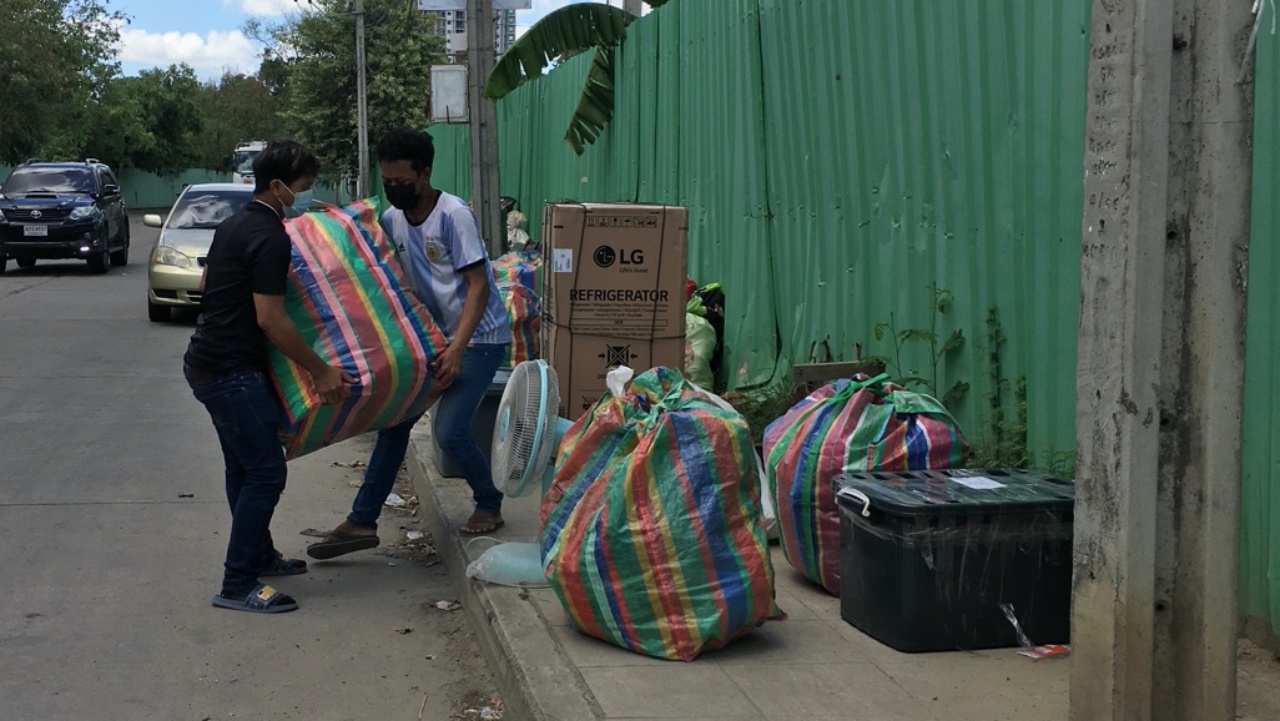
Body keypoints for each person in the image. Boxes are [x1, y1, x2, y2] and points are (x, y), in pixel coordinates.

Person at [306, 127, 511, 561]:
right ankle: (361, 520)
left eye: (402, 181)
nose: (394, 189)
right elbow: (369, 258)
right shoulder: (393, 219)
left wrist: (458, 347)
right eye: (388, 182)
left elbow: (478, 286)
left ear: (426, 173)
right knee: (394, 423)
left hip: (479, 337)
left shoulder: (454, 215)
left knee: (450, 431)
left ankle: (489, 502)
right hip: (432, 338)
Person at [185, 140, 354, 614]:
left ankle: (258, 555)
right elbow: (271, 318)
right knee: (265, 472)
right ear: (278, 186)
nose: (307, 194)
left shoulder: (236, 223)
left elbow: (205, 285)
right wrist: (321, 371)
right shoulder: (272, 235)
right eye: (303, 186)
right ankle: (237, 582)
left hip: (211, 363)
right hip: (228, 371)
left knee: (243, 469)